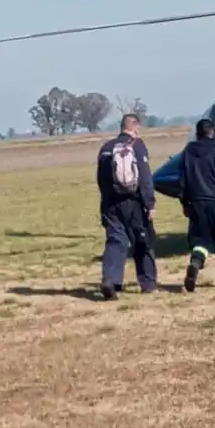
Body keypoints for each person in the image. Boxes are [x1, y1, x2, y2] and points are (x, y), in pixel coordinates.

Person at [96, 113, 157, 300]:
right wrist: (150, 203)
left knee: (115, 241)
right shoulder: (137, 146)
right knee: (143, 241)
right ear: (135, 127)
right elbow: (145, 177)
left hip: (110, 203)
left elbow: (100, 180)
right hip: (134, 202)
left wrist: (105, 204)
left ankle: (110, 280)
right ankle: (148, 283)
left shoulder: (106, 148)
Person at [176, 118, 215, 291]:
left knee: (200, 239)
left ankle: (195, 263)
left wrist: (185, 202)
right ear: (212, 131)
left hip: (197, 203)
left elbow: (182, 181)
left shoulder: (188, 151)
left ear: (197, 133)